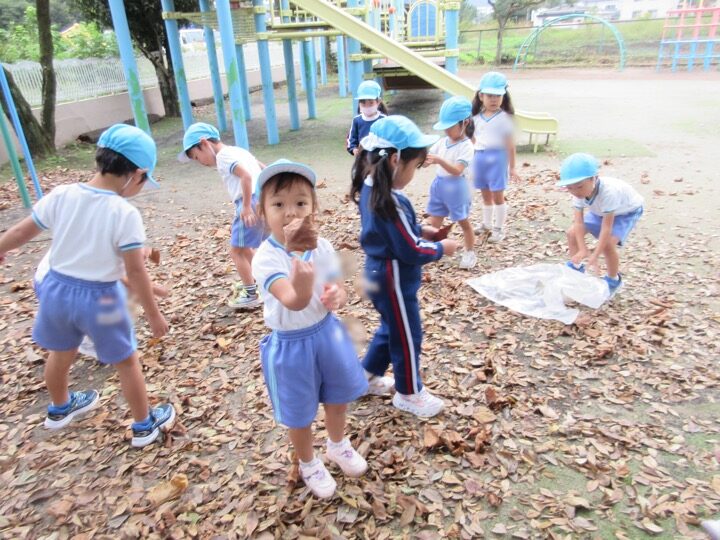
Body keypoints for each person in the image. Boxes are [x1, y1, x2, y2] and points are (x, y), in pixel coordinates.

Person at [0, 124, 175, 448]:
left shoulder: (63, 194)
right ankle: (143, 425)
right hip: (102, 300)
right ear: (136, 174)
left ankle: (60, 408)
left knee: (61, 352)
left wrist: (0, 248)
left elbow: (23, 232)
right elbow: (136, 273)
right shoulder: (124, 213)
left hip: (56, 291)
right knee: (126, 361)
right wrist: (153, 314)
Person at [251, 159, 369, 499]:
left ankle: (338, 445)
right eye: (278, 204)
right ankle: (308, 462)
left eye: (300, 203)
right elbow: (293, 300)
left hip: (327, 331)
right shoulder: (266, 258)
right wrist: (301, 281)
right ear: (263, 211)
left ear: (313, 208)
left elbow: (338, 288)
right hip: (290, 344)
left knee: (337, 394)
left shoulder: (322, 246)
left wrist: (337, 294)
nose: (290, 213)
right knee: (299, 411)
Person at [350, 116, 458, 418]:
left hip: (379, 273)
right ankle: (409, 393)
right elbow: (409, 249)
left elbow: (396, 231)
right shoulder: (390, 199)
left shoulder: (372, 187)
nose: (414, 173)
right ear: (396, 160)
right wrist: (440, 248)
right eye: (414, 167)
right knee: (408, 334)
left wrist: (424, 230)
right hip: (393, 278)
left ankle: (366, 377)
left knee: (391, 328)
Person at [178, 122, 265, 309]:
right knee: (247, 247)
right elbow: (261, 167)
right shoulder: (238, 151)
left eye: (196, 156)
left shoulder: (223, 157)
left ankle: (251, 293)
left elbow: (247, 176)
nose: (200, 162)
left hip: (250, 201)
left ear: (204, 143)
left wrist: (247, 206)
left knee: (237, 251)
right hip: (263, 199)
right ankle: (261, 279)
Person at [33, 248, 169, 359]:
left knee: (62, 353)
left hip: (47, 282)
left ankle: (85, 335)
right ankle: (93, 340)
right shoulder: (112, 241)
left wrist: (150, 254)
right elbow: (128, 278)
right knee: (122, 292)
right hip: (62, 288)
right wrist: (154, 292)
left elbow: (142, 258)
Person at [558, 153, 644, 297]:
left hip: (625, 212)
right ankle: (577, 268)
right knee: (572, 233)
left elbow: (606, 227)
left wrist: (596, 254)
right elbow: (578, 222)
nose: (575, 192)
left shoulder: (609, 192)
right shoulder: (578, 194)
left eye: (579, 186)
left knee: (607, 244)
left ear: (594, 178)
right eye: (569, 188)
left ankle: (613, 280)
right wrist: (583, 250)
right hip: (599, 210)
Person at [424, 96, 477, 269]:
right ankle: (428, 250)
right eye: (444, 127)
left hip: (456, 188)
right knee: (434, 221)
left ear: (465, 123)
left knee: (463, 222)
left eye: (450, 127)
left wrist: (438, 160)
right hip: (439, 185)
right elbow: (428, 158)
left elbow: (457, 170)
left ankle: (469, 252)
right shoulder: (442, 142)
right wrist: (423, 160)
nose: (446, 131)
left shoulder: (466, 146)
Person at [471, 71, 519, 243]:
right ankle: (486, 223)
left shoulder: (505, 118)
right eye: (490, 95)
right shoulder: (476, 118)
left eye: (498, 96)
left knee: (498, 194)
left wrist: (512, 167)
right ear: (481, 95)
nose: (494, 100)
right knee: (485, 194)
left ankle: (498, 228)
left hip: (497, 158)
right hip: (480, 157)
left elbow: (510, 144)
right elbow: (473, 138)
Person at [346, 80, 388, 156]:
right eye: (363, 103)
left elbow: (390, 139)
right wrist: (353, 149)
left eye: (371, 103)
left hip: (380, 159)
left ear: (378, 101)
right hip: (362, 160)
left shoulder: (384, 120)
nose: (367, 107)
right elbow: (351, 139)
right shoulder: (357, 120)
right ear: (359, 103)